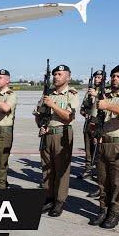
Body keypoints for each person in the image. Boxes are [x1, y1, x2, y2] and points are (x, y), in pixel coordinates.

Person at [88, 64, 119, 229]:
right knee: (102, 180)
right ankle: (103, 209)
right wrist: (94, 130)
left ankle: (114, 213)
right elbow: (95, 118)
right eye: (113, 76)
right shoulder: (104, 95)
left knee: (117, 182)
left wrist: (107, 105)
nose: (115, 79)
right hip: (103, 143)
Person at [33, 64, 78, 215]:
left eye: (60, 74)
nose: (56, 77)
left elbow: (68, 117)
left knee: (61, 170)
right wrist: (41, 124)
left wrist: (52, 105)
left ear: (68, 77)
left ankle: (59, 201)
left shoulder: (71, 94)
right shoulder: (47, 94)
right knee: (47, 169)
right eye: (55, 74)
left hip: (62, 133)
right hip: (47, 134)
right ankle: (49, 198)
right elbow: (38, 114)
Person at [79, 69, 104, 179]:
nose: (97, 79)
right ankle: (88, 169)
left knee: (98, 149)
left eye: (99, 77)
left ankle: (99, 173)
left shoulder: (105, 92)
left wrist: (97, 96)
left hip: (98, 123)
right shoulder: (89, 92)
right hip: (88, 123)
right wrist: (85, 113)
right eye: (95, 77)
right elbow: (82, 108)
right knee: (88, 148)